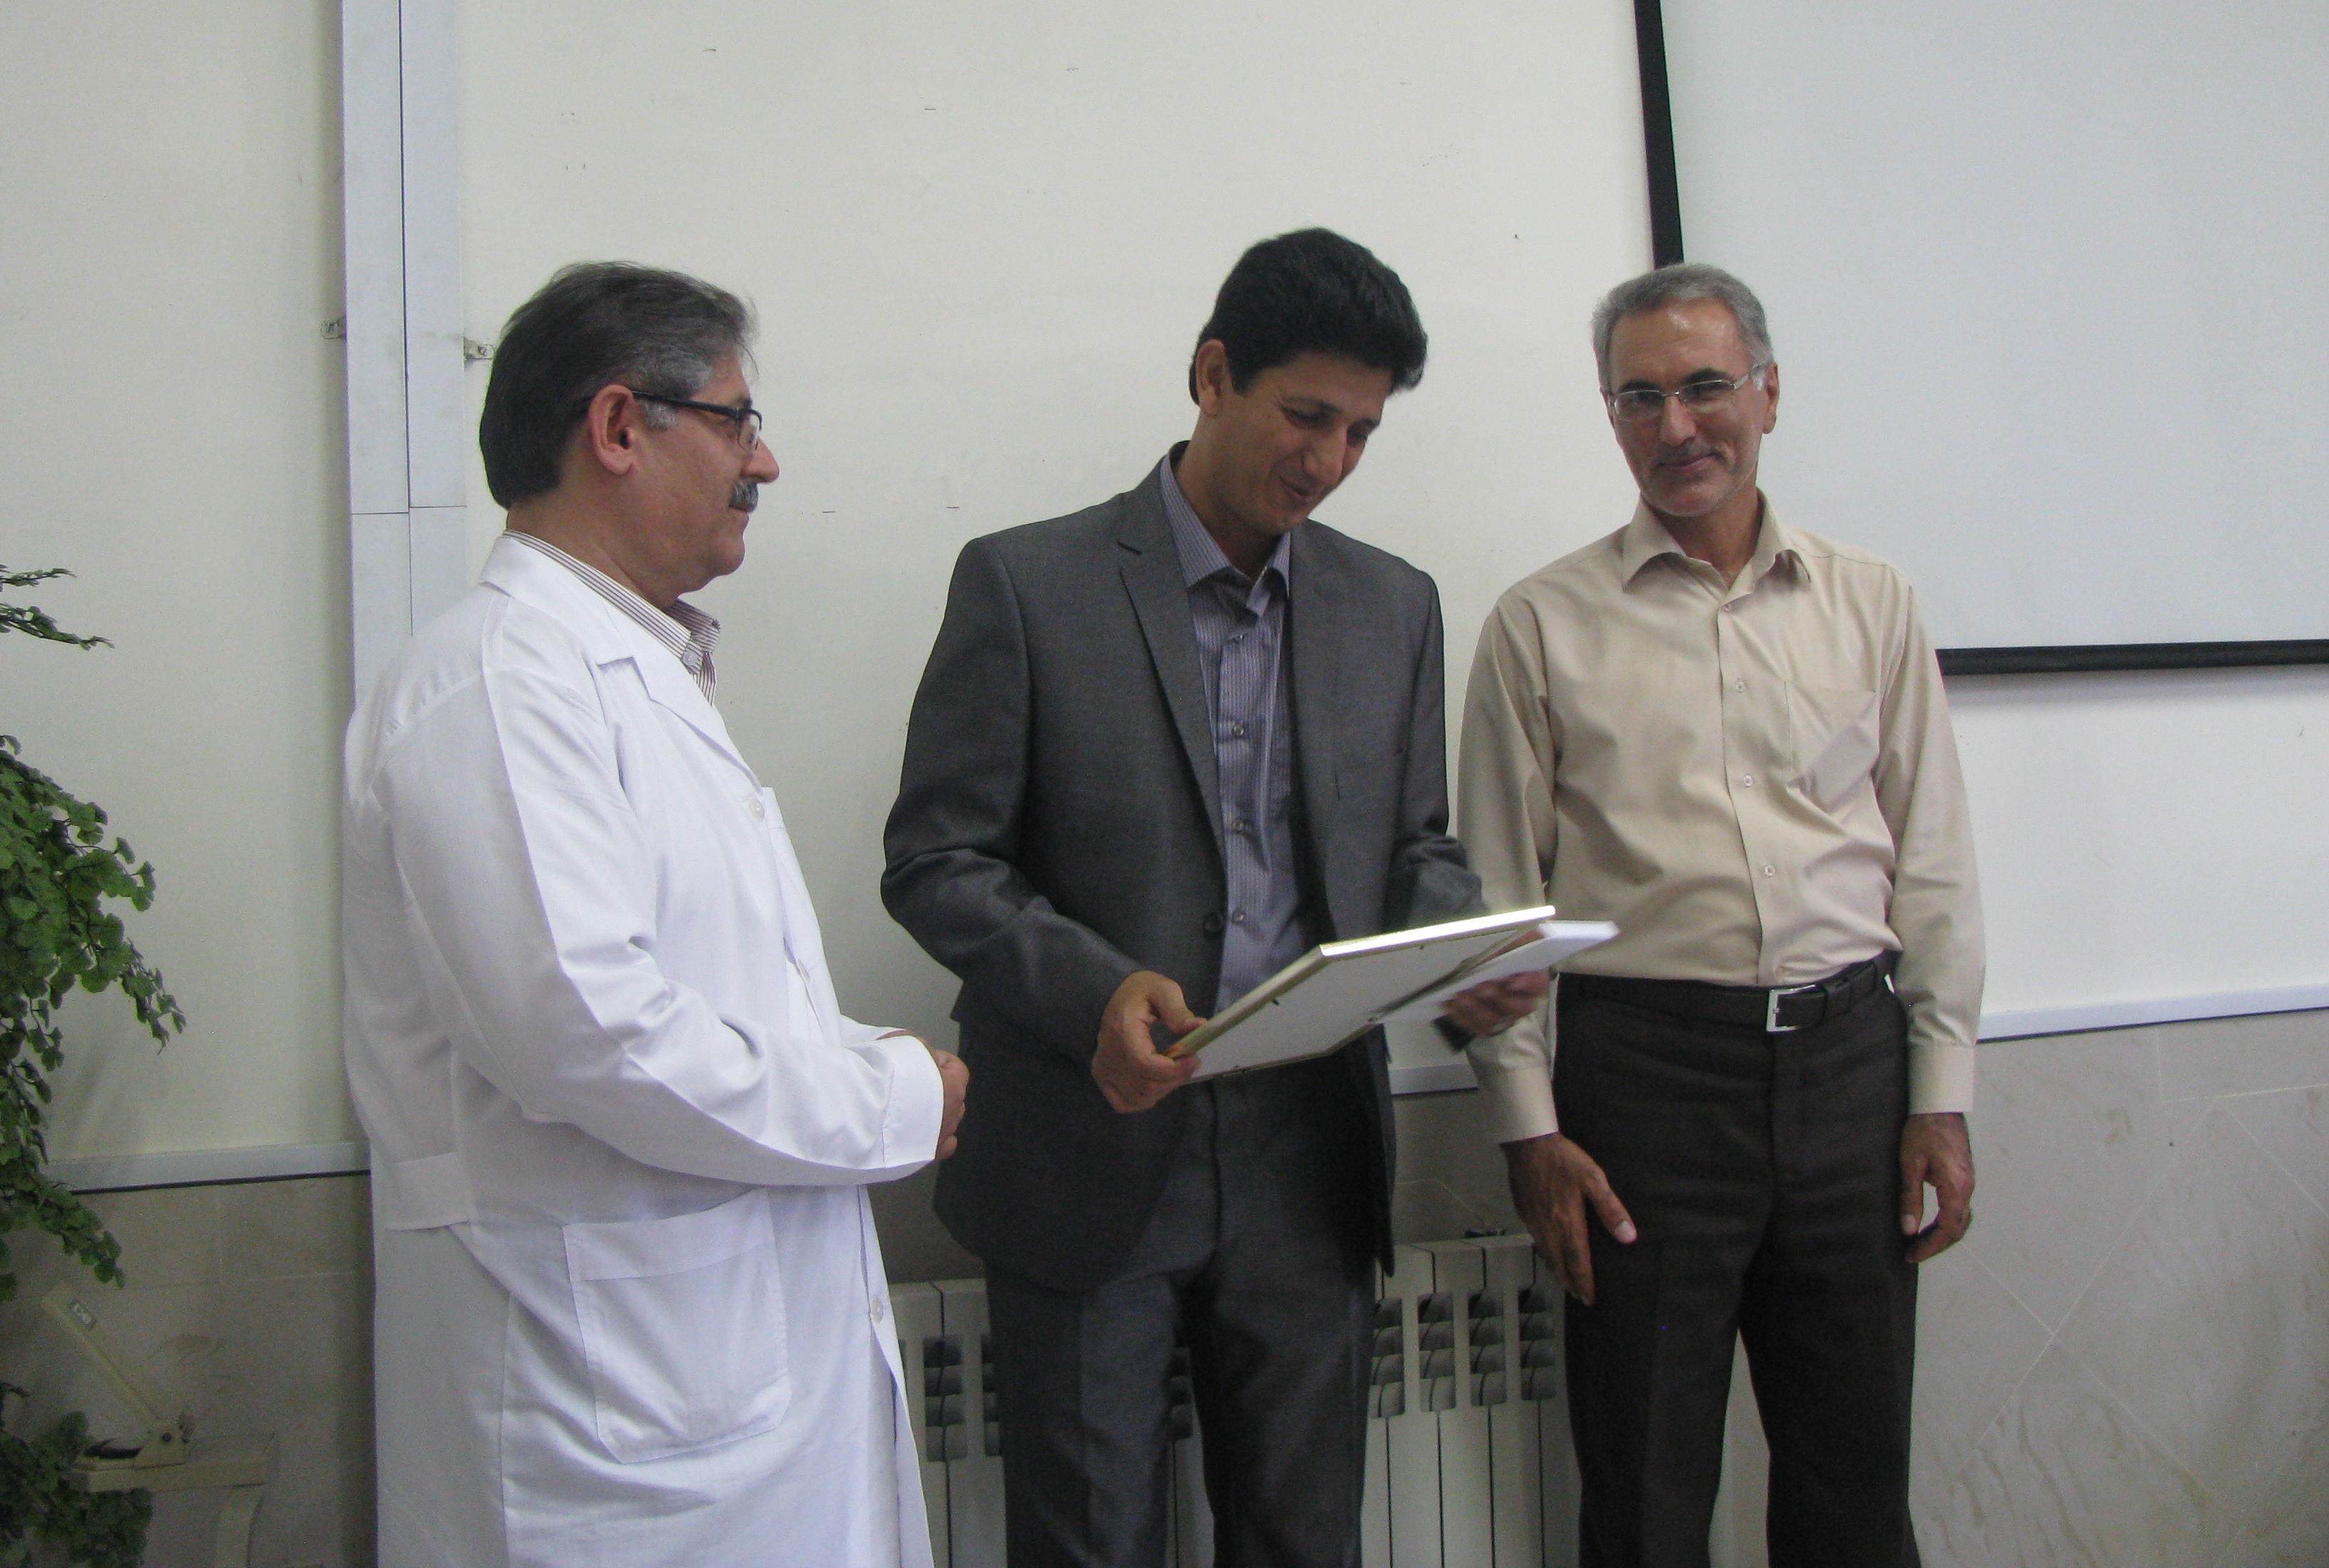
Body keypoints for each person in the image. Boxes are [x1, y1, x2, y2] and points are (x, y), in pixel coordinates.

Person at [882, 228, 1543, 1568]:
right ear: (1212, 374)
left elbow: (1415, 845)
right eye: (1307, 416)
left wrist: (1452, 953)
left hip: (1309, 1152)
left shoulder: (1392, 606)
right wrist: (1094, 992)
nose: (1330, 460)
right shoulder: (1029, 585)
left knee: (1306, 1537)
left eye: (1362, 433)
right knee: (1089, 1541)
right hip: (1090, 1136)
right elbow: (938, 860)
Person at [342, 262, 969, 1568]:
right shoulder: (498, 686)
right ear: (621, 427)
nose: (766, 462)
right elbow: (589, 1032)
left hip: (711, 1399)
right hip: (608, 1431)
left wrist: (870, 1058)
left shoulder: (627, 669)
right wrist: (885, 1103)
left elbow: (716, 999)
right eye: (738, 421)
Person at [1458, 263, 1983, 1567]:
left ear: (1770, 393)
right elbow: (1498, 904)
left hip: (1852, 1075)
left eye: (1706, 387)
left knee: (1855, 1495)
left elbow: (1933, 864)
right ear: (1611, 415)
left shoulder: (1871, 601)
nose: (1678, 425)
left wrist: (1940, 1093)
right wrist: (1529, 1129)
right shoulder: (1539, 625)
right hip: (1643, 1091)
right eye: (1641, 398)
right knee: (1644, 1496)